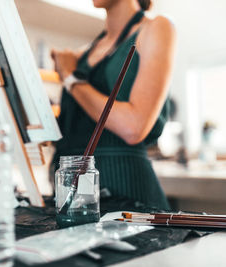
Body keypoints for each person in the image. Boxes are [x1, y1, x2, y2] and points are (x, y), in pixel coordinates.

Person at [51, 0, 176, 209]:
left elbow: (133, 127)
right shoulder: (83, 53)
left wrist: (71, 79)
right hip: (76, 198)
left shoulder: (156, 28)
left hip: (128, 193)